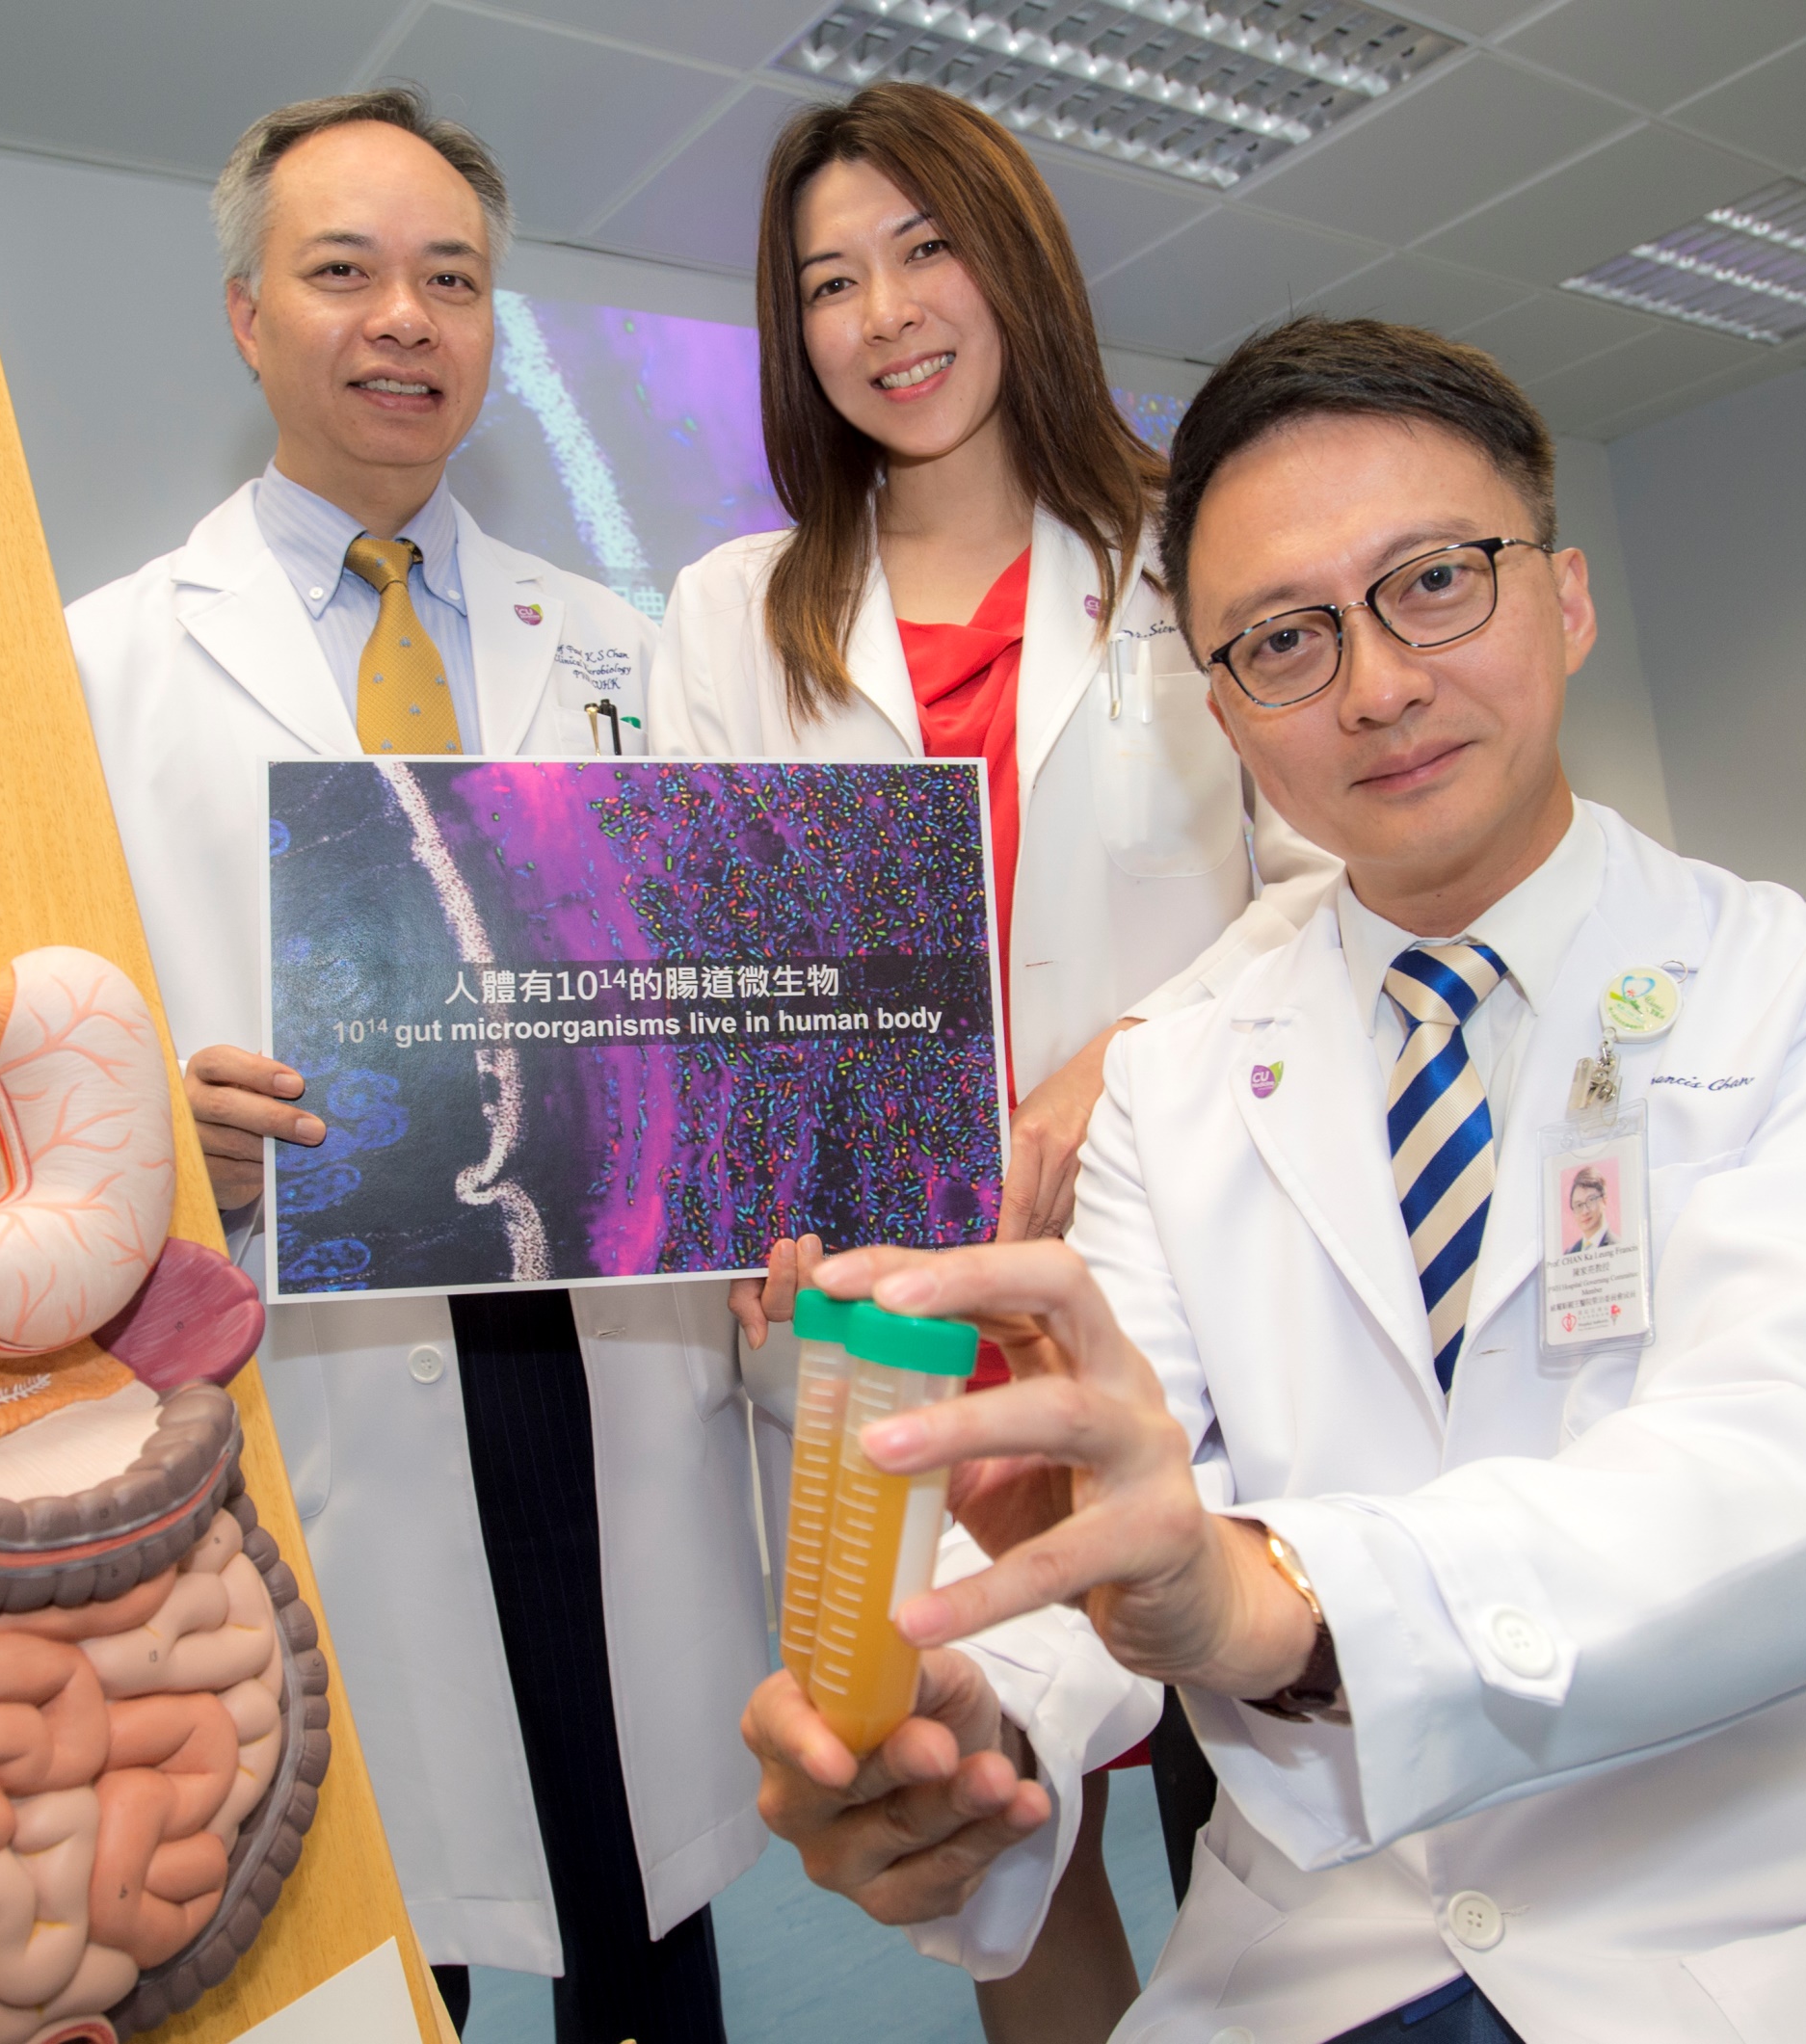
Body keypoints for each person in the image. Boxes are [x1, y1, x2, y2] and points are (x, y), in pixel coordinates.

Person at [744, 316, 1806, 2041]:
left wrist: (1280, 1601)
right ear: (1223, 708)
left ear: (1569, 598)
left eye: (1436, 581)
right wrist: (973, 1725)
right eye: (1284, 640)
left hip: (1793, 1941)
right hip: (1324, 1961)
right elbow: (1128, 1536)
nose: (1374, 683)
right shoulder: (1172, 1082)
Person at [68, 90, 765, 2043]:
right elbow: (44, 1066)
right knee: (372, 1911)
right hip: (319, 1359)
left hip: (601, 1347)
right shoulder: (102, 666)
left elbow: (714, 990)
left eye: (451, 278)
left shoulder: (621, 650)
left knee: (642, 1900)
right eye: (346, 270)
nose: (405, 318)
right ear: (245, 314)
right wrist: (156, 1128)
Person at [645, 81, 1335, 2040]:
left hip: (1186, 1254)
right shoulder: (730, 612)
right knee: (994, 1807)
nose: (886, 314)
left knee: (1274, 1744)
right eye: (829, 282)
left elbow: (1327, 878)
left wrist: (1115, 1060)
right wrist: (759, 1189)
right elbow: (722, 963)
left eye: (924, 249)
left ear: (1012, 255)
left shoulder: (1185, 544)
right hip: (909, 1310)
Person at [1562, 1166, 1614, 1253]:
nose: (1585, 1211)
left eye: (1591, 1200)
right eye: (1579, 1205)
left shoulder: (1617, 1246)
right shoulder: (1569, 1253)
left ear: (1604, 1201)